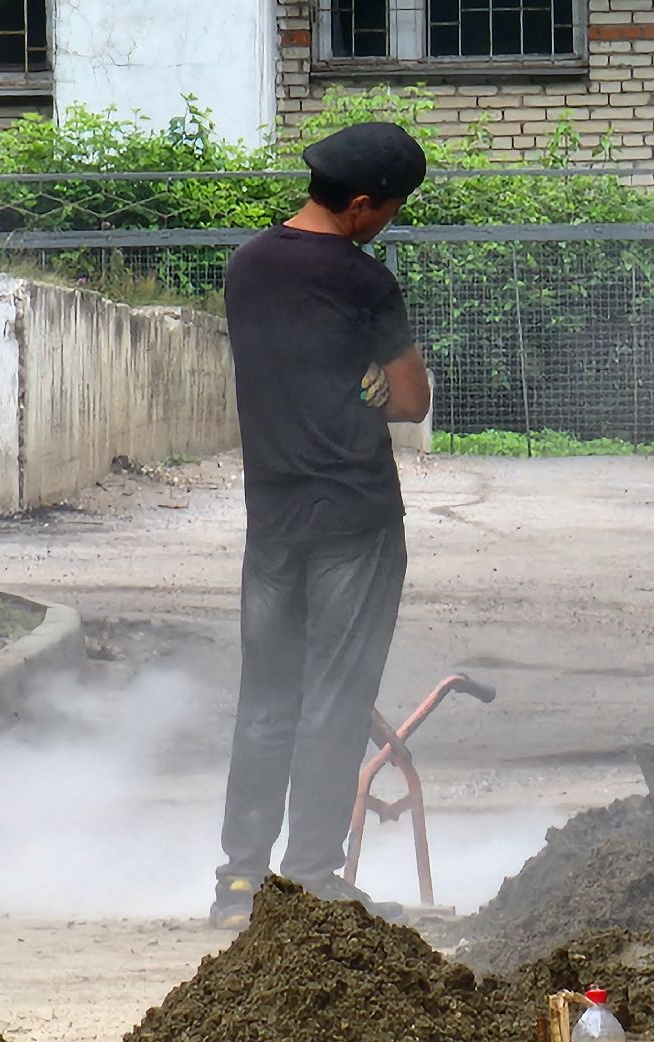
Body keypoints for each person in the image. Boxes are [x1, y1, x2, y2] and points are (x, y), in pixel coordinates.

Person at [209, 123, 433, 930]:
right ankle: (308, 882)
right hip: (354, 517)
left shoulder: (246, 265)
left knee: (265, 699)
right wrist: (370, 382)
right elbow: (412, 399)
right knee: (334, 701)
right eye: (392, 209)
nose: (389, 223)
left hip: (273, 516)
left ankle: (239, 886)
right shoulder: (363, 280)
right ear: (362, 204)